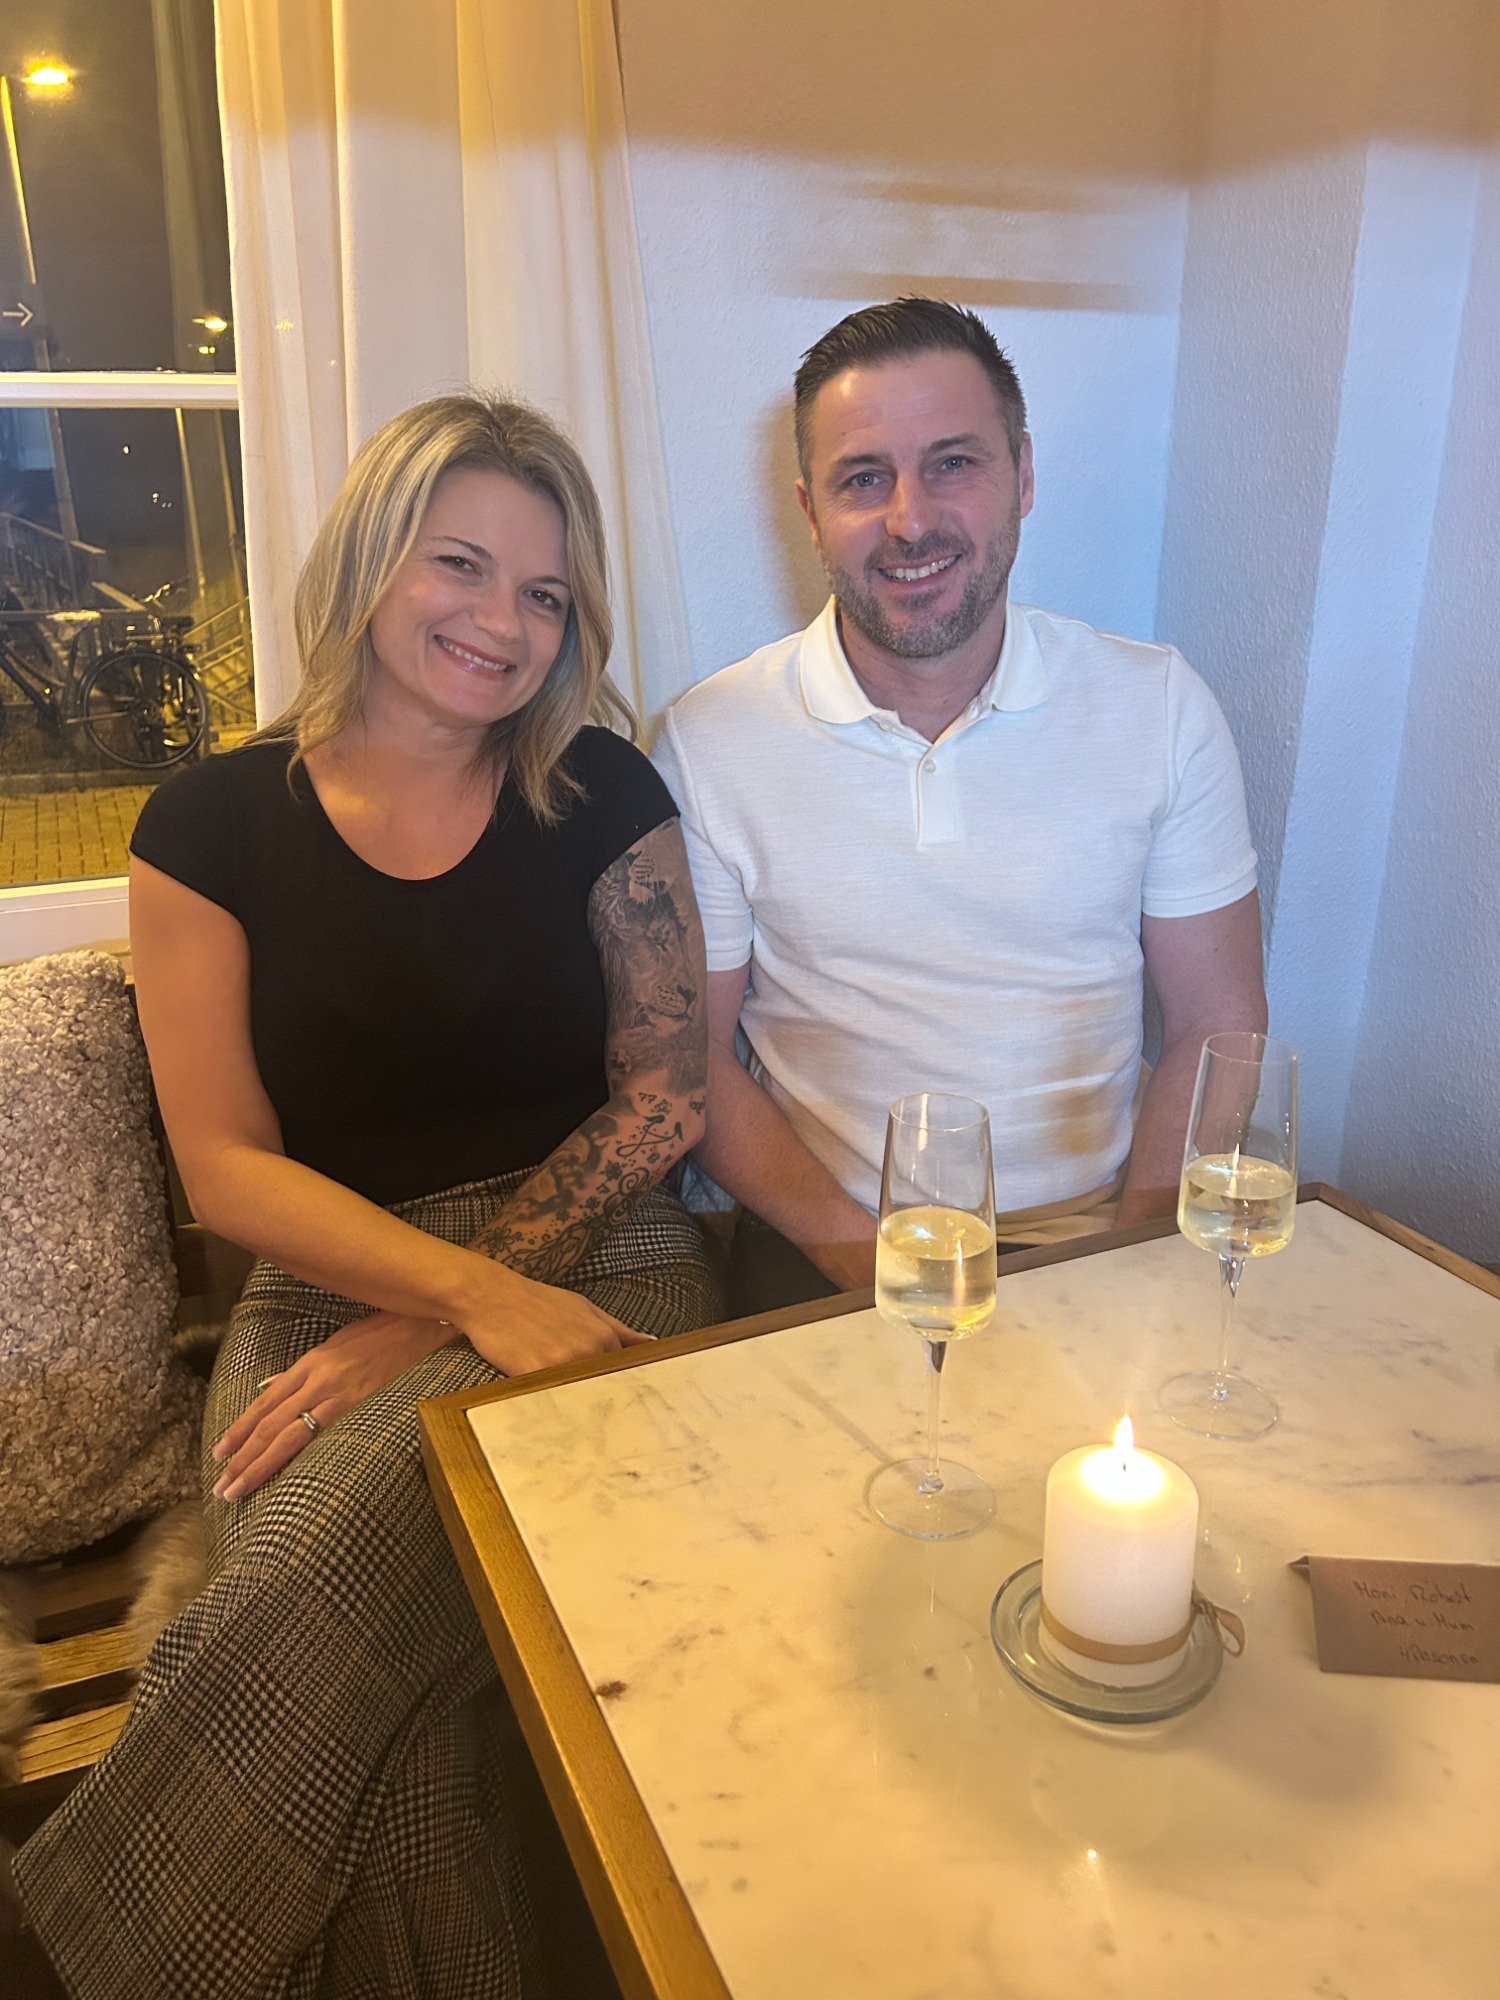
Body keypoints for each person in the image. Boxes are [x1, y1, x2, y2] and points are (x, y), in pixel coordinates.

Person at [15, 393, 720, 1997]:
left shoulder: (603, 791)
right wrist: (443, 1300)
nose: (503, 623)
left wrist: (454, 1309)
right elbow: (226, 1167)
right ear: (370, 561)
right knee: (397, 1730)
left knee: (306, 1581)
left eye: (545, 593)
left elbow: (665, 1098)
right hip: (321, 1278)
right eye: (460, 564)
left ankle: (76, 1958)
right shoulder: (206, 825)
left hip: (600, 1256)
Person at [651, 298, 1267, 1313]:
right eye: (863, 478)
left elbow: (1218, 1019)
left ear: (1023, 475)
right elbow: (693, 1062)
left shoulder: (1157, 706)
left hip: (1106, 1237)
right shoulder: (709, 739)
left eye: (953, 463)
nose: (910, 520)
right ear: (809, 509)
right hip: (833, 1249)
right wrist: (880, 1269)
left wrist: (1133, 1265)